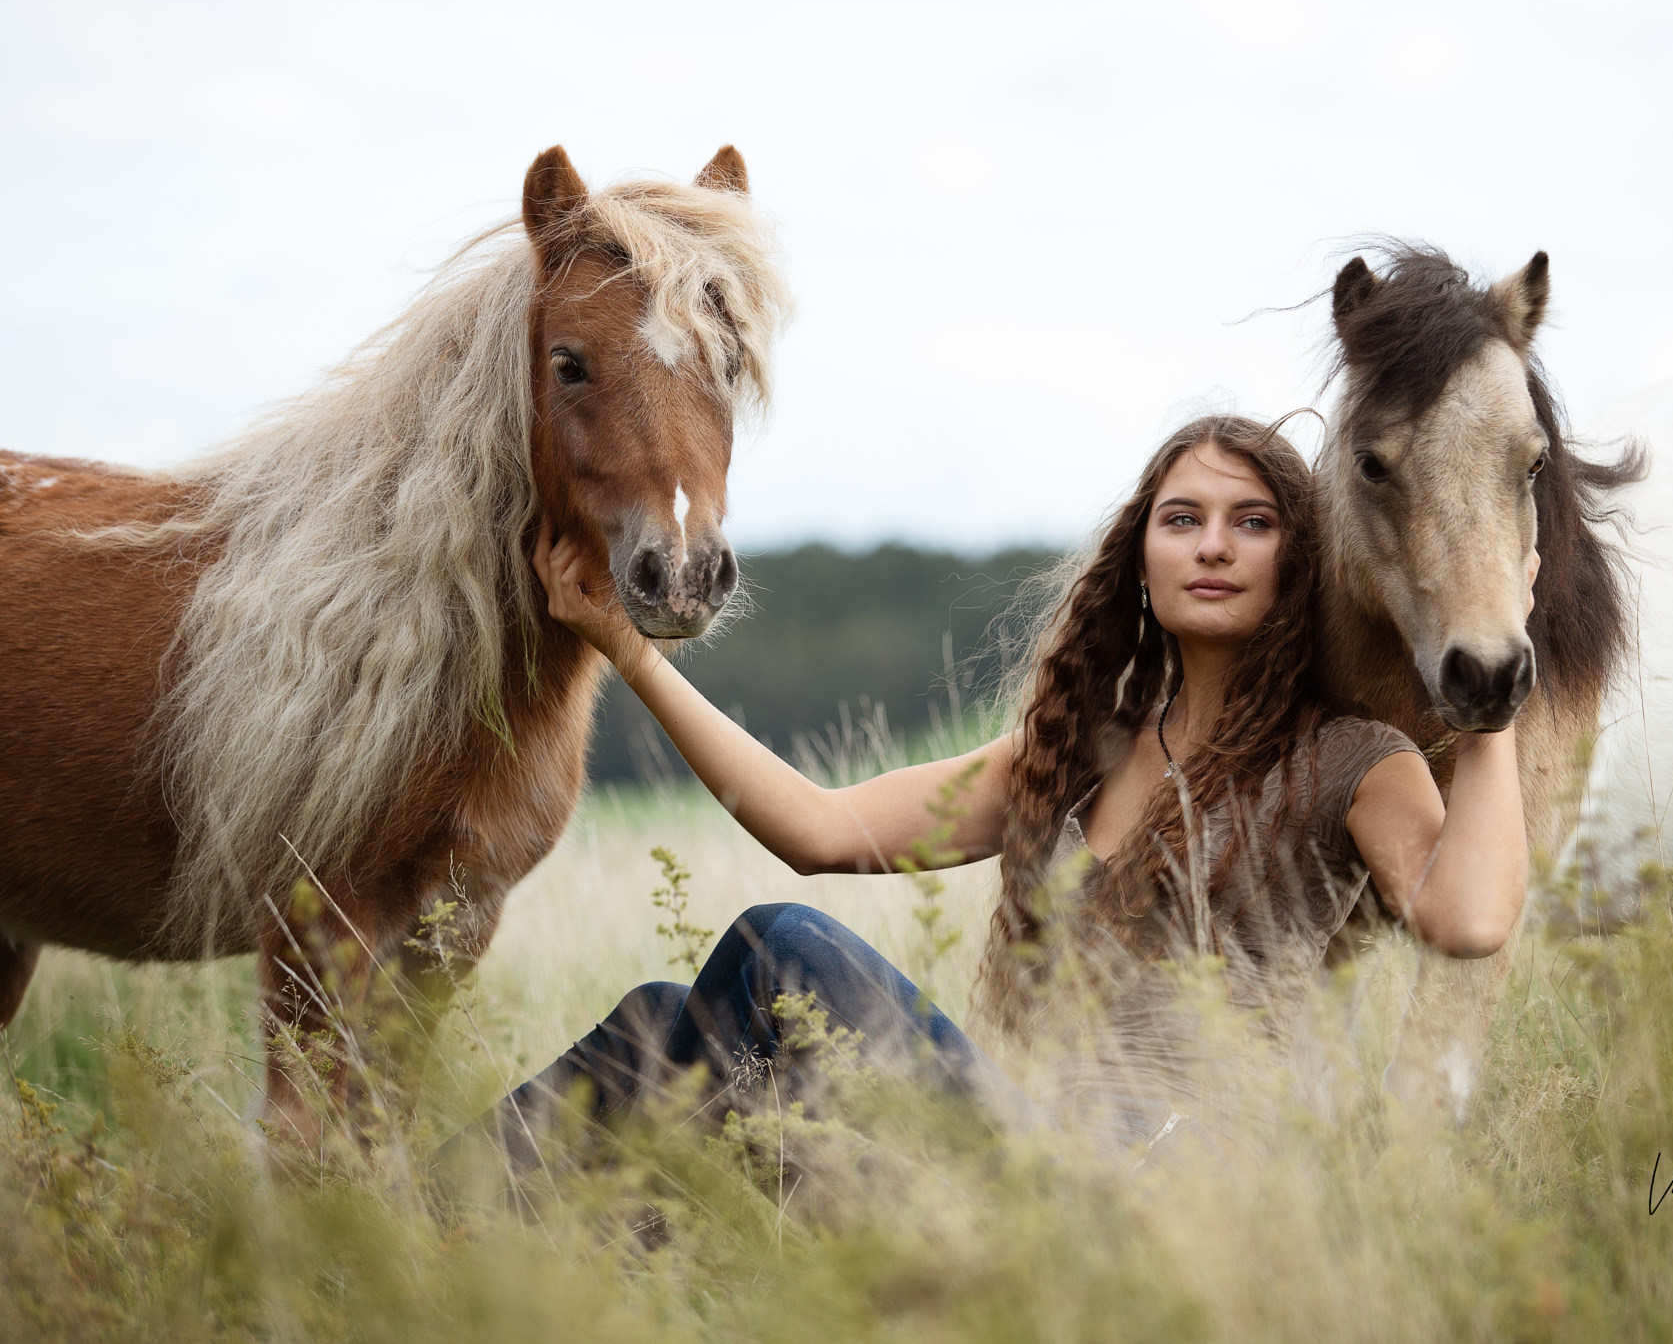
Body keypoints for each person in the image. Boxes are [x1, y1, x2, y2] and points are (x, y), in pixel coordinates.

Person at [441, 415, 1530, 1181]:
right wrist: (626, 651)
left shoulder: (1350, 759)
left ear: (1297, 562)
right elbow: (818, 830)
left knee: (779, 946)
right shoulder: (1064, 758)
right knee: (656, 1028)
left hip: (1156, 1195)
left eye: (1250, 522)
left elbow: (1468, 919)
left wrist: (1497, 674)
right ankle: (406, 1236)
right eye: (1181, 517)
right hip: (1002, 1145)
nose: (1211, 544)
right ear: (1138, 558)